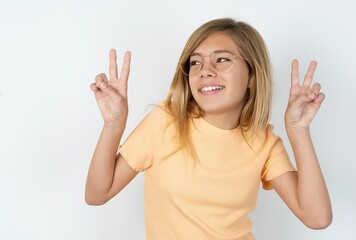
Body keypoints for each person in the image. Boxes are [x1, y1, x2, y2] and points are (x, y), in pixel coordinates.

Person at [85, 18, 332, 239]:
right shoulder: (164, 122)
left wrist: (298, 130)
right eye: (195, 62)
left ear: (253, 76)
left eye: (222, 59)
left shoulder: (264, 141)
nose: (205, 71)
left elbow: (317, 218)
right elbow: (97, 194)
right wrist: (113, 125)